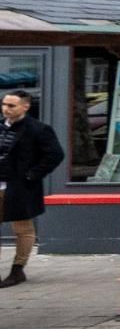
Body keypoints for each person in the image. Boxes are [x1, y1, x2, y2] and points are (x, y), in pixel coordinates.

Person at [0, 91, 63, 288]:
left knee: (23, 228)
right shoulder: (1, 126)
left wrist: (32, 175)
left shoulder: (38, 129)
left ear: (25, 106)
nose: (6, 109)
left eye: (11, 106)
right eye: (4, 104)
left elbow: (55, 154)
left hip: (19, 186)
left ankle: (17, 270)